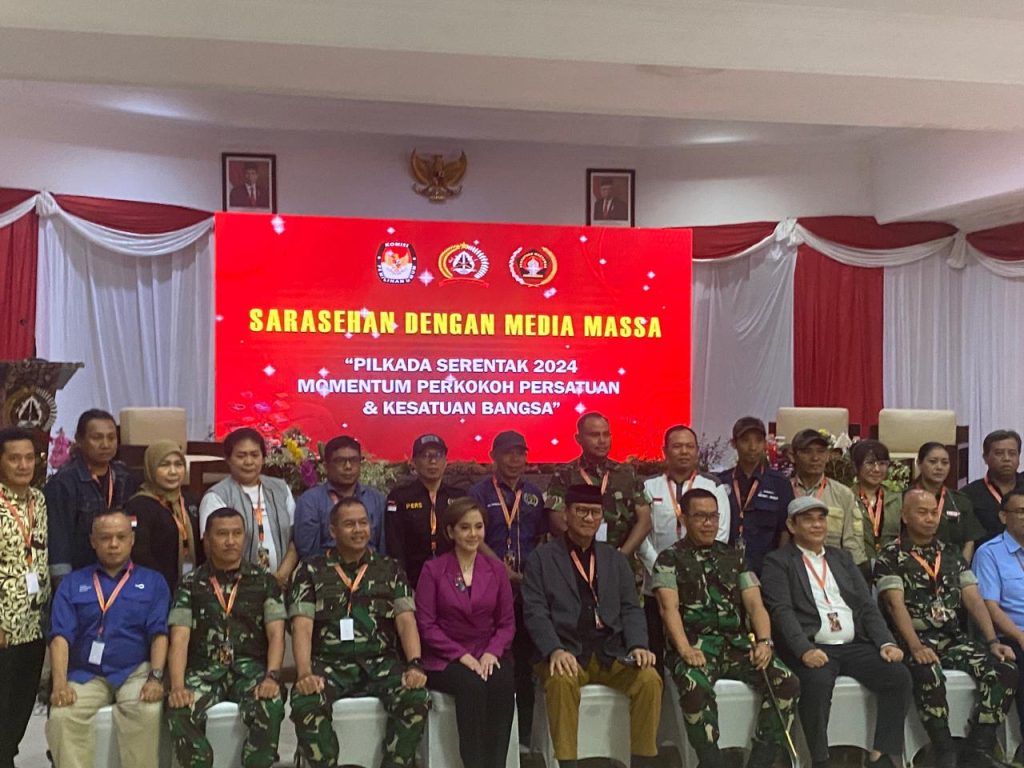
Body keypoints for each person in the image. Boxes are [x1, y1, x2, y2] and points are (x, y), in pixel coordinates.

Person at [761, 496, 912, 768]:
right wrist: (804, 650)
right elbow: (781, 612)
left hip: (853, 644)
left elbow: (866, 605)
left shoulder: (841, 558)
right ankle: (820, 759)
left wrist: (886, 642)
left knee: (898, 675)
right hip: (814, 645)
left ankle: (881, 754)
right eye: (808, 519)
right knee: (816, 682)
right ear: (792, 526)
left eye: (821, 518)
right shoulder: (778, 561)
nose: (817, 525)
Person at [653, 488, 799, 768]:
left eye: (713, 516)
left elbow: (755, 605)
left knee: (786, 680)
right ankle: (710, 760)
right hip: (695, 645)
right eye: (700, 516)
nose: (708, 523)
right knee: (694, 687)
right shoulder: (669, 558)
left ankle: (762, 759)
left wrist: (765, 642)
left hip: (736, 645)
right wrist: (684, 649)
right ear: (683, 519)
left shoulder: (734, 556)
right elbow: (667, 609)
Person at [522, 484, 662, 768]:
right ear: (566, 514)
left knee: (649, 679)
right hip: (566, 649)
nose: (589, 518)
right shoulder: (542, 558)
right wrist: (554, 649)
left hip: (610, 651)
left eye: (595, 512)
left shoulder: (614, 559)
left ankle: (642, 761)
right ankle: (567, 763)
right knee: (561, 680)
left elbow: (631, 608)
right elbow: (535, 612)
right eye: (581, 511)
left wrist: (638, 645)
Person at [875, 489, 1016, 768]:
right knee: (927, 671)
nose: (930, 518)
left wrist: (992, 641)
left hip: (952, 638)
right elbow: (894, 605)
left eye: (934, 512)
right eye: (922, 512)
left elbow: (973, 599)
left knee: (1005, 668)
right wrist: (915, 646)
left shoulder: (949, 553)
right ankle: (943, 749)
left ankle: (979, 747)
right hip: (911, 640)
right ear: (904, 516)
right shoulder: (890, 556)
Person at [289, 496, 428, 768]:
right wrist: (304, 673)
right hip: (330, 664)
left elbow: (406, 621)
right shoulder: (311, 570)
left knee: (416, 696)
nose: (358, 530)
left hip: (381, 662)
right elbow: (302, 626)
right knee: (306, 701)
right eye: (349, 524)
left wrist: (414, 664)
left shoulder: (390, 568)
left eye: (363, 523)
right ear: (333, 531)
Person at [47, 509, 170, 768]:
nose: (113, 544)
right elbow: (60, 637)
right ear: (93, 541)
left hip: (135, 672)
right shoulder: (72, 583)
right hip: (86, 674)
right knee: (62, 716)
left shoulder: (153, 582)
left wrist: (155, 678)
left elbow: (159, 634)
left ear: (132, 540)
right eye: (105, 538)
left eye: (121, 537)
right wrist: (59, 684)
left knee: (148, 711)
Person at [166, 507, 286, 768]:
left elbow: (276, 634)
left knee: (271, 702)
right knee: (178, 708)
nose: (231, 541)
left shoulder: (265, 582)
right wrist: (177, 687)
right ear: (207, 539)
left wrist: (272, 677)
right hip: (205, 671)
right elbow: (179, 639)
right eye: (222, 534)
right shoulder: (190, 583)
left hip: (250, 670)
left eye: (237, 533)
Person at [416, 497, 516, 768]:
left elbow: (507, 623)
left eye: (478, 527)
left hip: (487, 652)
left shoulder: (496, 569)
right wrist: (462, 656)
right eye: (465, 527)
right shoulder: (433, 570)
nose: (473, 534)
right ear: (450, 532)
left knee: (502, 682)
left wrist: (492, 653)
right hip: (445, 657)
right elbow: (426, 625)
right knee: (471, 686)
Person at [467, 430, 547, 745]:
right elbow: (473, 537)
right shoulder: (478, 493)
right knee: (495, 655)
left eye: (520, 453)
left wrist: (531, 574)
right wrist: (502, 570)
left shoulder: (534, 494)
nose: (515, 459)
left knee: (526, 659)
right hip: (489, 584)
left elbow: (541, 537)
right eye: (508, 453)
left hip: (527, 588)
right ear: (493, 456)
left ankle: (524, 733)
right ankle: (493, 732)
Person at [638, 424, 729, 673]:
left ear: (697, 451)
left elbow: (720, 532)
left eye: (689, 446)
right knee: (655, 654)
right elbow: (641, 535)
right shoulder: (648, 487)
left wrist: (690, 569)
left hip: (698, 584)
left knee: (694, 654)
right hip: (655, 584)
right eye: (677, 446)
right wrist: (661, 570)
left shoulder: (713, 486)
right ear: (665, 451)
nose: (684, 451)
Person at [0, 427, 50, 768]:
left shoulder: (38, 500)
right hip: (4, 623)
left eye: (29, 457)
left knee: (23, 701)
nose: (23, 465)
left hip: (34, 620)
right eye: (14, 458)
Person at [545, 412, 652, 561]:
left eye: (606, 435)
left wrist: (620, 556)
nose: (602, 441)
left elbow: (644, 521)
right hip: (576, 559)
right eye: (594, 435)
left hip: (620, 559)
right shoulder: (565, 474)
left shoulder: (627, 473)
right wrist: (582, 551)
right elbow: (556, 519)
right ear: (578, 439)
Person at [45, 409, 135, 582]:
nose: (105, 444)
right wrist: (65, 586)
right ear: (79, 440)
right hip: (81, 576)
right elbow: (59, 541)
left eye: (111, 437)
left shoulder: (124, 476)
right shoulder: (63, 483)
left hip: (120, 576)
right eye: (97, 438)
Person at [199, 428, 297, 585]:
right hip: (236, 587)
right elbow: (212, 549)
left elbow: (295, 540)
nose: (249, 462)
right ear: (228, 459)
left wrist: (281, 576)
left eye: (255, 455)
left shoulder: (280, 488)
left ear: (263, 458)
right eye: (241, 456)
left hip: (282, 583)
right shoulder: (216, 496)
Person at [974, 490, 1024, 759]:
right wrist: (1020, 635)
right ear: (1004, 516)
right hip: (1009, 635)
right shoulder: (989, 553)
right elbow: (990, 607)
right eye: (1021, 512)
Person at [718, 416, 794, 576]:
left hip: (765, 567)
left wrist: (779, 566)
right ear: (734, 443)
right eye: (745, 440)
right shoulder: (721, 482)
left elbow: (785, 529)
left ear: (765, 443)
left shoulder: (779, 483)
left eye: (758, 441)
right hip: (724, 565)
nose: (752, 447)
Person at [126, 440, 202, 591]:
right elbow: (140, 555)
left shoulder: (191, 501)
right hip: (156, 588)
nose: (173, 471)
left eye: (178, 464)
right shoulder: (138, 505)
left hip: (193, 587)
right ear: (151, 467)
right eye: (164, 465)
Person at [385, 433, 459, 588]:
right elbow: (395, 545)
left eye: (438, 455)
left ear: (446, 461)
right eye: (425, 455)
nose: (432, 461)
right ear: (414, 462)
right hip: (413, 579)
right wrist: (401, 582)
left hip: (453, 578)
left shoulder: (458, 496)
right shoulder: (400, 497)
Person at [294, 435, 386, 559]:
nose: (348, 466)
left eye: (354, 460)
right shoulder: (310, 501)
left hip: (370, 567)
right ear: (326, 467)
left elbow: (383, 549)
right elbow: (307, 551)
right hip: (325, 568)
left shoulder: (377, 500)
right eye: (340, 461)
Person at [788, 428, 867, 572]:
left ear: (828, 455)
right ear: (793, 456)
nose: (815, 458)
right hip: (792, 568)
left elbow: (852, 542)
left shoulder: (843, 494)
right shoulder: (783, 490)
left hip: (832, 569)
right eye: (807, 452)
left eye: (821, 451)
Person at [912, 442, 984, 562]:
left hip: (952, 566)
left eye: (945, 463)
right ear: (919, 463)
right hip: (913, 565)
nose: (939, 467)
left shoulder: (960, 500)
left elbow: (969, 540)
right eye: (933, 462)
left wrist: (961, 567)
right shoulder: (906, 498)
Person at [963, 430, 1024, 546]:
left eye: (1012, 453)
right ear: (985, 458)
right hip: (987, 554)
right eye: (999, 453)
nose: (1006, 458)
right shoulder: (969, 494)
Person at [850, 439, 902, 565]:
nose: (877, 469)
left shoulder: (897, 499)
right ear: (856, 466)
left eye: (882, 463)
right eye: (870, 463)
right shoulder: (846, 497)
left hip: (891, 566)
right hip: (855, 566)